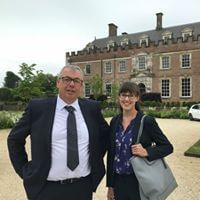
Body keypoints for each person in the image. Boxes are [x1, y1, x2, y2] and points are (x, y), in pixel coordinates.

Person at [7, 65, 109, 200]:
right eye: (66, 79)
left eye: (76, 81)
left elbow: (105, 137)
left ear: (81, 85)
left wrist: (94, 158)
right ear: (58, 82)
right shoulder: (38, 108)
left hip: (82, 187)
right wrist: (25, 170)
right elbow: (14, 139)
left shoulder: (92, 108)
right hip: (46, 189)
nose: (71, 84)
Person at [106, 81, 173, 200]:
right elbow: (112, 154)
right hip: (118, 182)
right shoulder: (115, 121)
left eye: (130, 95)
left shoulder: (146, 121)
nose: (126, 99)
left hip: (138, 181)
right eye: (123, 95)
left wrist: (147, 152)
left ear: (137, 98)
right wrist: (110, 186)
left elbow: (167, 147)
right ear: (119, 97)